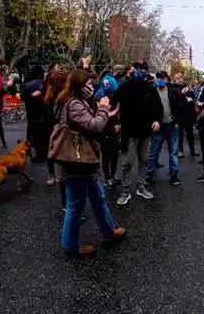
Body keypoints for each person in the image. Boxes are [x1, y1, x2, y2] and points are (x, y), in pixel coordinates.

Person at [49, 68, 125, 258]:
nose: (92, 87)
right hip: (76, 162)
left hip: (85, 162)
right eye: (88, 84)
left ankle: (108, 232)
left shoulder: (79, 101)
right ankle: (70, 246)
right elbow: (95, 126)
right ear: (79, 85)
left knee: (98, 198)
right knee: (75, 205)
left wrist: (103, 111)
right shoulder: (74, 104)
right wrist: (103, 109)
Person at [112, 61, 162, 205]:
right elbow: (113, 104)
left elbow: (158, 108)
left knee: (144, 161)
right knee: (126, 163)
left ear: (146, 71)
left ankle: (141, 187)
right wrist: (116, 122)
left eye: (143, 69)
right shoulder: (124, 87)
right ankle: (125, 191)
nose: (139, 71)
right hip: (128, 131)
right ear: (133, 70)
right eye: (137, 68)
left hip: (145, 132)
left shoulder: (150, 89)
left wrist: (157, 121)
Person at [146, 71, 182, 186]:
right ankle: (149, 175)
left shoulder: (173, 91)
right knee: (154, 151)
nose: (159, 80)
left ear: (167, 79)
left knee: (174, 152)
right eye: (158, 78)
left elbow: (180, 105)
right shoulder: (151, 91)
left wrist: (177, 120)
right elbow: (148, 108)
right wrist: (152, 122)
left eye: (162, 78)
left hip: (172, 125)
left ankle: (174, 175)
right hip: (158, 126)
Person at [43, 68, 67, 187]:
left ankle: (51, 174)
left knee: (51, 149)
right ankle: (61, 174)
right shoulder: (66, 94)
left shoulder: (47, 94)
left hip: (50, 126)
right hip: (62, 125)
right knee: (64, 148)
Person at [21, 65, 46, 162]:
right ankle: (43, 154)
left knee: (33, 134)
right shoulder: (47, 84)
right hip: (44, 115)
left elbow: (23, 97)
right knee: (43, 135)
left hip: (32, 114)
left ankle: (35, 153)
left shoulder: (28, 85)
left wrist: (31, 97)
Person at [173, 75, 199, 158]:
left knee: (189, 134)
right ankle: (180, 151)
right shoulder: (175, 93)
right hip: (179, 117)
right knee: (179, 135)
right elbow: (175, 104)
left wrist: (194, 118)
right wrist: (181, 94)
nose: (179, 88)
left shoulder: (189, 93)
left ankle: (192, 150)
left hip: (188, 117)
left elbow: (192, 104)